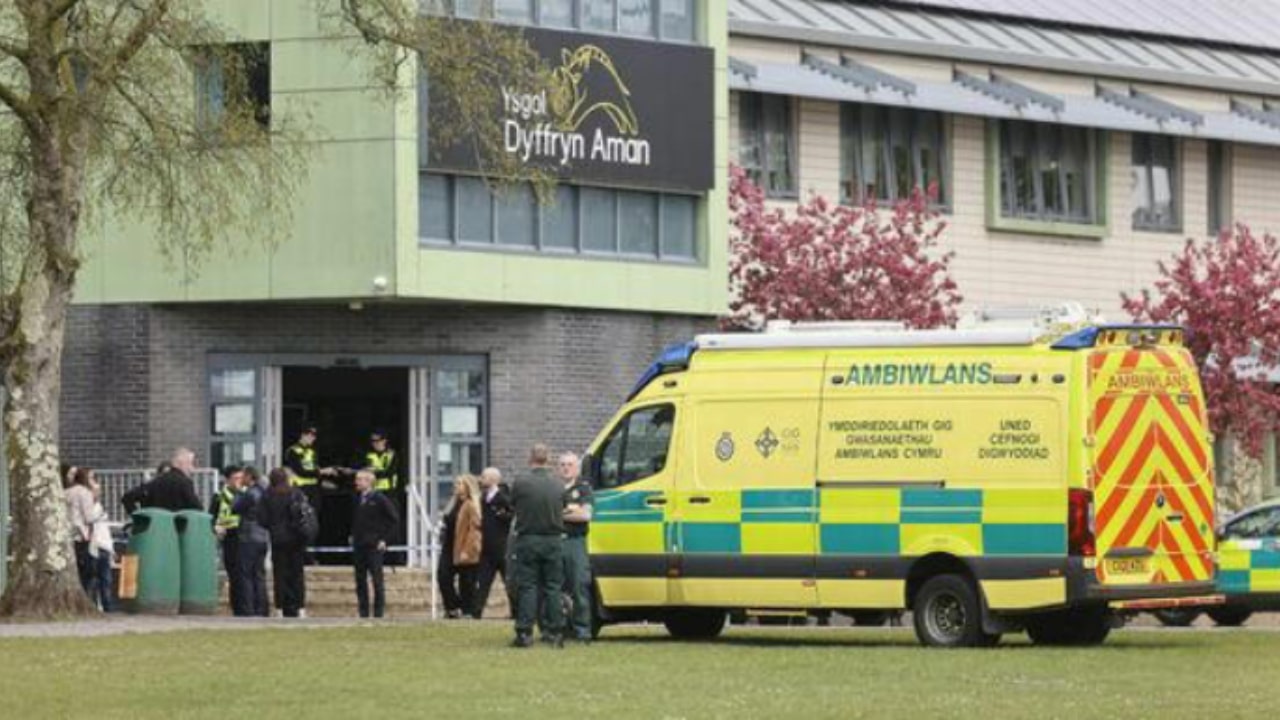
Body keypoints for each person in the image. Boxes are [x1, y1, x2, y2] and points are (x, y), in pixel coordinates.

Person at [509, 444, 566, 648]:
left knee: (528, 587)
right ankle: (556, 632)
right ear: (548, 459)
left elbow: (512, 505)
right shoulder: (558, 484)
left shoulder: (521, 483)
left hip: (528, 539)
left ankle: (524, 633)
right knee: (553, 587)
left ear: (530, 458)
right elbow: (564, 506)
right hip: (553, 540)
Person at [350, 469, 399, 619]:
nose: (356, 482)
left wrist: (385, 540)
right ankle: (363, 612)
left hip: (374, 545)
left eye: (359, 479)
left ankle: (378, 613)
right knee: (360, 580)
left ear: (368, 481)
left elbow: (394, 519)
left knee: (377, 579)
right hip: (359, 545)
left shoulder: (380, 499)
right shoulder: (357, 499)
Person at [263, 467, 309, 618]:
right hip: (296, 538)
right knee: (297, 574)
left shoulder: (268, 496)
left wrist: (272, 527)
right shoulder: (296, 493)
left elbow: (261, 518)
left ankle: (280, 608)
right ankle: (300, 607)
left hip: (278, 539)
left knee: (280, 575)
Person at [558, 453, 594, 643]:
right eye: (562, 464)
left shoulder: (583, 489)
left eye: (570, 464)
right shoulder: (553, 489)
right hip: (556, 542)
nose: (566, 468)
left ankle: (583, 630)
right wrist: (570, 511)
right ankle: (560, 628)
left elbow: (585, 516)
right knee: (555, 588)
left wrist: (558, 513)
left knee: (579, 585)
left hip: (575, 542)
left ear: (577, 468)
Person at [437, 475, 482, 619]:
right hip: (449, 546)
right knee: (443, 576)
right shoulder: (453, 503)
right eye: (455, 484)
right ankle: (452, 607)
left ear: (468, 486)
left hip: (464, 547)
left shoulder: (471, 505)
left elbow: (474, 530)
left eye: (459, 484)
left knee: (467, 581)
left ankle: (468, 610)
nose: (456, 486)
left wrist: (467, 550)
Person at [473, 467, 513, 619]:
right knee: (482, 583)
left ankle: (516, 612)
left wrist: (501, 515)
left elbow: (511, 514)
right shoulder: (484, 497)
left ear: (492, 479)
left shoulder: (503, 496)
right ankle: (476, 612)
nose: (481, 479)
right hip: (487, 548)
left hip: (502, 548)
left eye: (483, 477)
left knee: (509, 582)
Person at [232, 467, 271, 617]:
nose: (242, 480)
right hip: (262, 537)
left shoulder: (250, 493)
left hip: (248, 537)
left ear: (249, 476)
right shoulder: (264, 492)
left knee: (246, 574)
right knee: (259, 575)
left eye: (243, 477)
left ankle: (248, 609)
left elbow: (235, 508)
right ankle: (262, 609)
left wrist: (238, 491)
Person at [361, 431, 404, 565]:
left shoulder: (392, 454)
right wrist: (374, 472)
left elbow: (389, 472)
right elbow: (366, 471)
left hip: (389, 493)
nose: (376, 444)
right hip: (374, 492)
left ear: (385, 441)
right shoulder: (369, 454)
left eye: (378, 441)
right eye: (373, 441)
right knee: (374, 524)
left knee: (393, 522)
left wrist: (374, 471)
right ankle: (376, 557)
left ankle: (396, 558)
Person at [209, 466, 245, 615]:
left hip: (243, 537)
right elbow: (211, 518)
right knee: (234, 574)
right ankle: (237, 608)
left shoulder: (245, 494)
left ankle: (245, 607)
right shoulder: (219, 496)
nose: (239, 482)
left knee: (244, 574)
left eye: (240, 478)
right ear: (227, 480)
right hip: (228, 537)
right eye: (235, 478)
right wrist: (215, 528)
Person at [121, 448, 202, 513]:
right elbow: (198, 509)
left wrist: (138, 519)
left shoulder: (154, 483)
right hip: (177, 530)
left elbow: (127, 498)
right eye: (190, 463)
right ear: (180, 463)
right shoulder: (185, 483)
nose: (192, 468)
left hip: (154, 530)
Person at [65, 467, 96, 596]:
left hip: (67, 533)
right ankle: (84, 595)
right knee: (86, 569)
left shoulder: (66, 492)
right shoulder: (85, 493)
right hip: (81, 534)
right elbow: (88, 517)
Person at [87, 475, 115, 612]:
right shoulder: (90, 508)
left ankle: (107, 607)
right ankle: (96, 606)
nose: (97, 493)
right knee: (96, 579)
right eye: (94, 490)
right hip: (95, 546)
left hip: (103, 546)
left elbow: (104, 531)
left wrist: (110, 548)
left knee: (105, 580)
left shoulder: (98, 507)